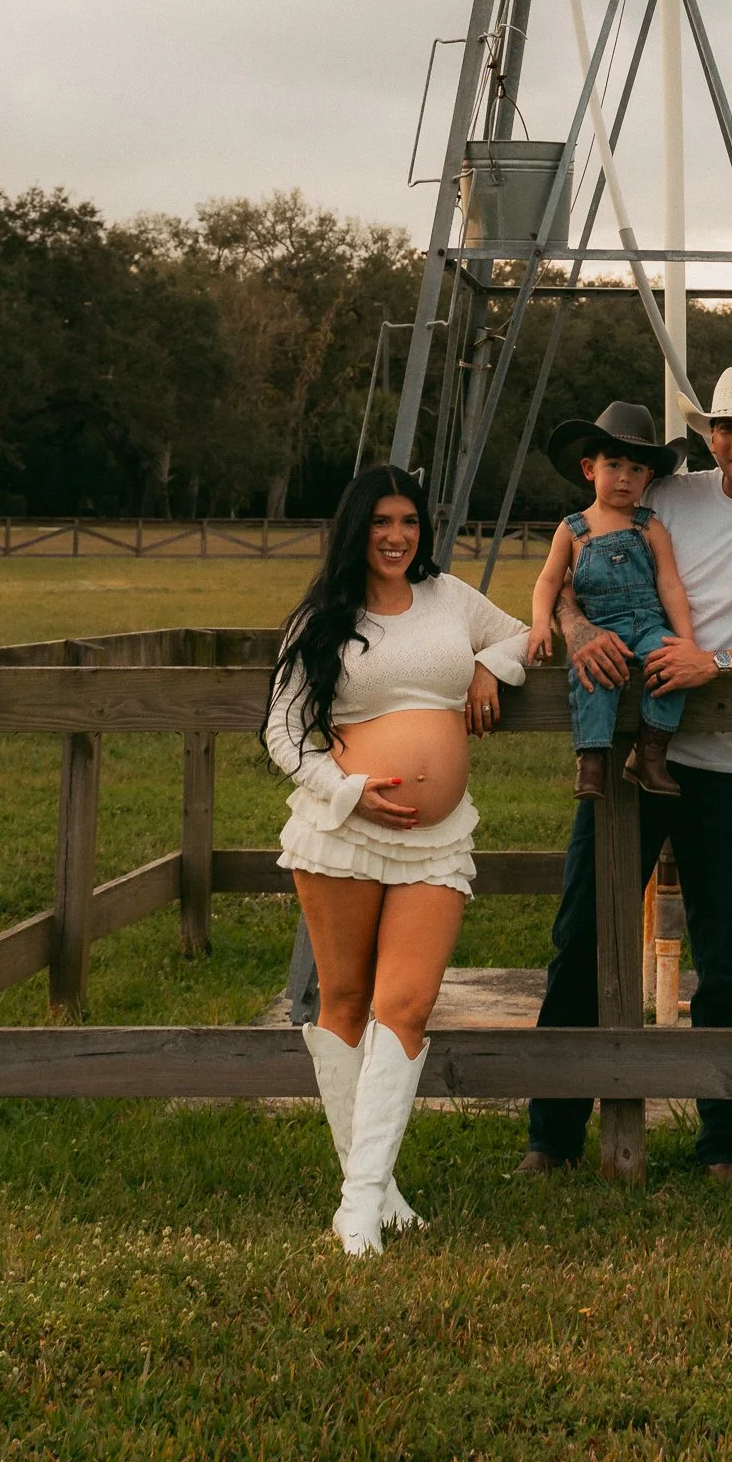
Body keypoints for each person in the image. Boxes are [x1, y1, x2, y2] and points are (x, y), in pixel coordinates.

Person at [517, 364, 732, 1181]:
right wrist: (570, 625)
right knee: (582, 935)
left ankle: (722, 1142)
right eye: (725, 427)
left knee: (722, 949)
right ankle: (552, 1136)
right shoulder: (669, 494)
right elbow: (572, 560)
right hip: (630, 752)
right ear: (708, 435)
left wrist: (720, 662)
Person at [264, 466, 528, 1256]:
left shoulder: (449, 596)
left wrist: (490, 667)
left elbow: (519, 632)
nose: (396, 535)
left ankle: (361, 1198)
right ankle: (371, 1202)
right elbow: (281, 732)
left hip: (435, 842)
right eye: (380, 520)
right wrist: (346, 790)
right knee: (342, 1000)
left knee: (406, 1006)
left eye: (409, 520)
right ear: (356, 528)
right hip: (342, 830)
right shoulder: (322, 616)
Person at [529, 401, 697, 800]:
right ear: (590, 469)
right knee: (591, 676)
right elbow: (548, 581)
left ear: (648, 477)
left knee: (669, 668)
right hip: (599, 627)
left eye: (636, 469)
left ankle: (650, 753)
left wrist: (685, 640)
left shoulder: (650, 525)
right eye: (614, 466)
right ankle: (592, 759)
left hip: (648, 624)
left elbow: (670, 583)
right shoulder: (572, 531)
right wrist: (539, 624)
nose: (624, 478)